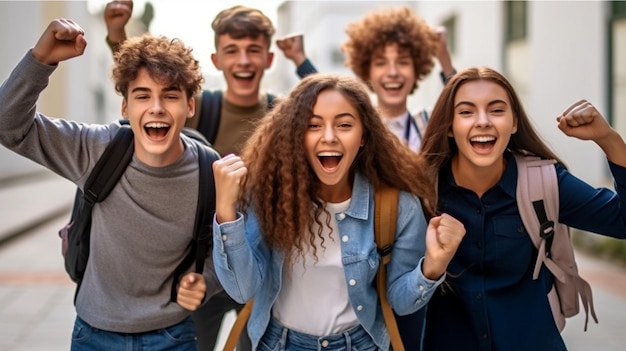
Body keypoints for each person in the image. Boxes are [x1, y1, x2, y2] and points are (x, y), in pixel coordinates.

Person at [105, 2, 318, 350]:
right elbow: (147, 87)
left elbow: (328, 106)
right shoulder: (202, 107)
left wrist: (301, 61)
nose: (244, 60)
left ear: (268, 59)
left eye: (254, 50)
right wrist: (117, 35)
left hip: (261, 271)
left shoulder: (282, 114)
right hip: (201, 270)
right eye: (232, 51)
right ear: (217, 60)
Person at [0, 19, 223, 350]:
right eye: (142, 95)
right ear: (125, 106)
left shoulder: (210, 169)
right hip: (94, 334)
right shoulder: (96, 148)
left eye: (170, 96)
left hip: (173, 335)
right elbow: (9, 126)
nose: (156, 108)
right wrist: (41, 59)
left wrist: (206, 281)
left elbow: (233, 248)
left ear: (190, 106)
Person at [211, 73, 466, 351]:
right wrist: (226, 213)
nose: (329, 137)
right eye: (313, 125)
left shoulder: (396, 205)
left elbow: (402, 303)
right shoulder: (266, 197)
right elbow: (241, 289)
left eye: (344, 125)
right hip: (278, 344)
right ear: (295, 135)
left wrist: (433, 267)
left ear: (363, 137)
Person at [418, 66, 626, 350]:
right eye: (466, 112)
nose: (482, 122)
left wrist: (609, 140)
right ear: (449, 127)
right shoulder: (422, 190)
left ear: (514, 122)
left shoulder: (544, 181)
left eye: (496, 110)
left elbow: (622, 221)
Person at [277, 6, 456, 152]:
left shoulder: (427, 125)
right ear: (366, 72)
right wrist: (299, 58)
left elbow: (462, 103)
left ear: (417, 70)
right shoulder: (359, 124)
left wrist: (443, 57)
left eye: (402, 62)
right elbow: (326, 92)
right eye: (381, 63)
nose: (392, 72)